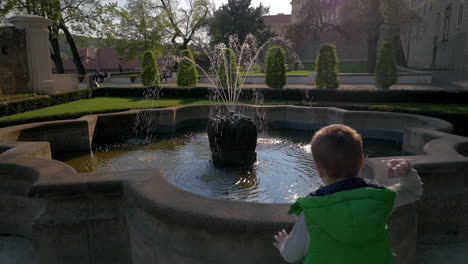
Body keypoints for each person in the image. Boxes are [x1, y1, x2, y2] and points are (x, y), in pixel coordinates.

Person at [273, 124, 423, 264]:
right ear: (362, 163)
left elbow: (292, 255)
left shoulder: (312, 211)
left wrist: (283, 245)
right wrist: (407, 171)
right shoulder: (378, 199)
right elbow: (412, 191)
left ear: (319, 170)